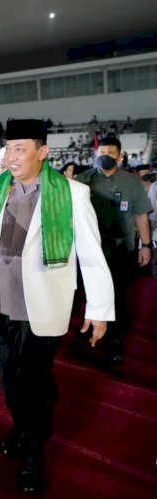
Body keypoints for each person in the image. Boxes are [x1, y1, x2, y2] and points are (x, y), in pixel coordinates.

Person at [0, 120, 115, 495]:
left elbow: (92, 255)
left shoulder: (72, 194)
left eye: (19, 149)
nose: (10, 157)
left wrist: (99, 307)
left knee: (36, 380)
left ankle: (33, 453)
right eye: (8, 148)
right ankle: (23, 425)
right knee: (9, 378)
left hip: (40, 304)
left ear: (42, 152)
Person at [75, 136, 152, 366]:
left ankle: (115, 343)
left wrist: (146, 246)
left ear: (119, 156)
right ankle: (90, 332)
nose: (104, 156)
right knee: (89, 293)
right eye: (100, 152)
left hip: (120, 249)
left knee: (117, 297)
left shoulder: (131, 182)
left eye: (109, 152)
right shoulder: (83, 180)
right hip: (90, 249)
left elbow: (141, 215)